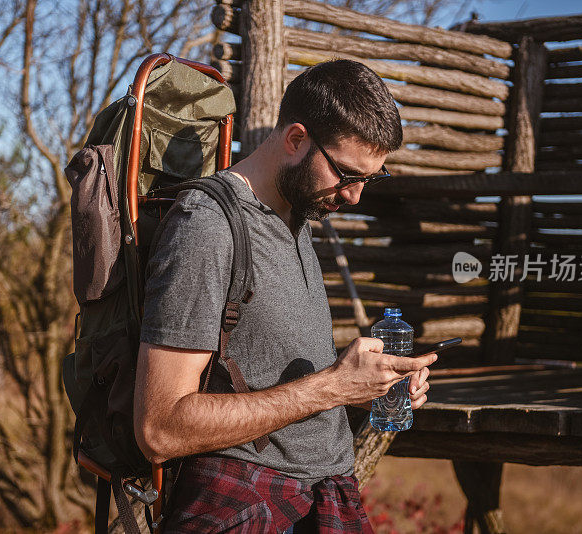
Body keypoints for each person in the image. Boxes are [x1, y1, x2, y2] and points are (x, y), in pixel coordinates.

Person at [133, 59, 437, 533]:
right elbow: (160, 427)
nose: (356, 196)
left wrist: (366, 387)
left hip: (325, 499)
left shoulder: (298, 216)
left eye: (371, 180)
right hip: (245, 505)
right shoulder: (208, 226)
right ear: (296, 139)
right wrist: (333, 386)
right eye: (347, 173)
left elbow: (272, 381)